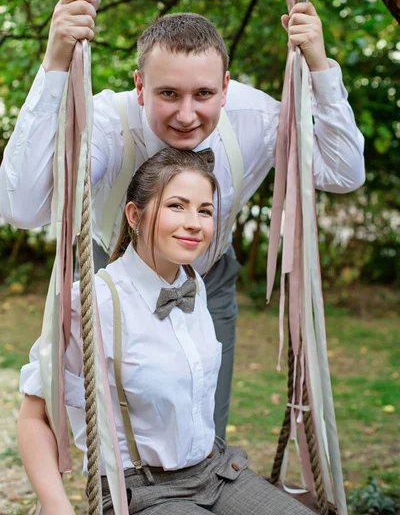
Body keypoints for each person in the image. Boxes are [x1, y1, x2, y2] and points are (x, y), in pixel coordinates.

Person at [0, 0, 365, 439]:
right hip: (109, 280)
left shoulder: (257, 120)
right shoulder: (107, 125)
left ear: (226, 88)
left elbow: (343, 173)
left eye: (204, 94)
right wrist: (55, 65)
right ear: (139, 86)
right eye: (168, 93)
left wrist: (320, 69)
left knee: (203, 432)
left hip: (208, 285)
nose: (187, 115)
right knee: (115, 437)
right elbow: (20, 205)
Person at [18, 147, 315, 515]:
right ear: (134, 215)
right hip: (144, 491)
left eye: (204, 211)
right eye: (177, 205)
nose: (194, 222)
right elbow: (35, 417)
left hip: (218, 472)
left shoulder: (194, 284)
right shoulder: (91, 303)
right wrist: (54, 504)